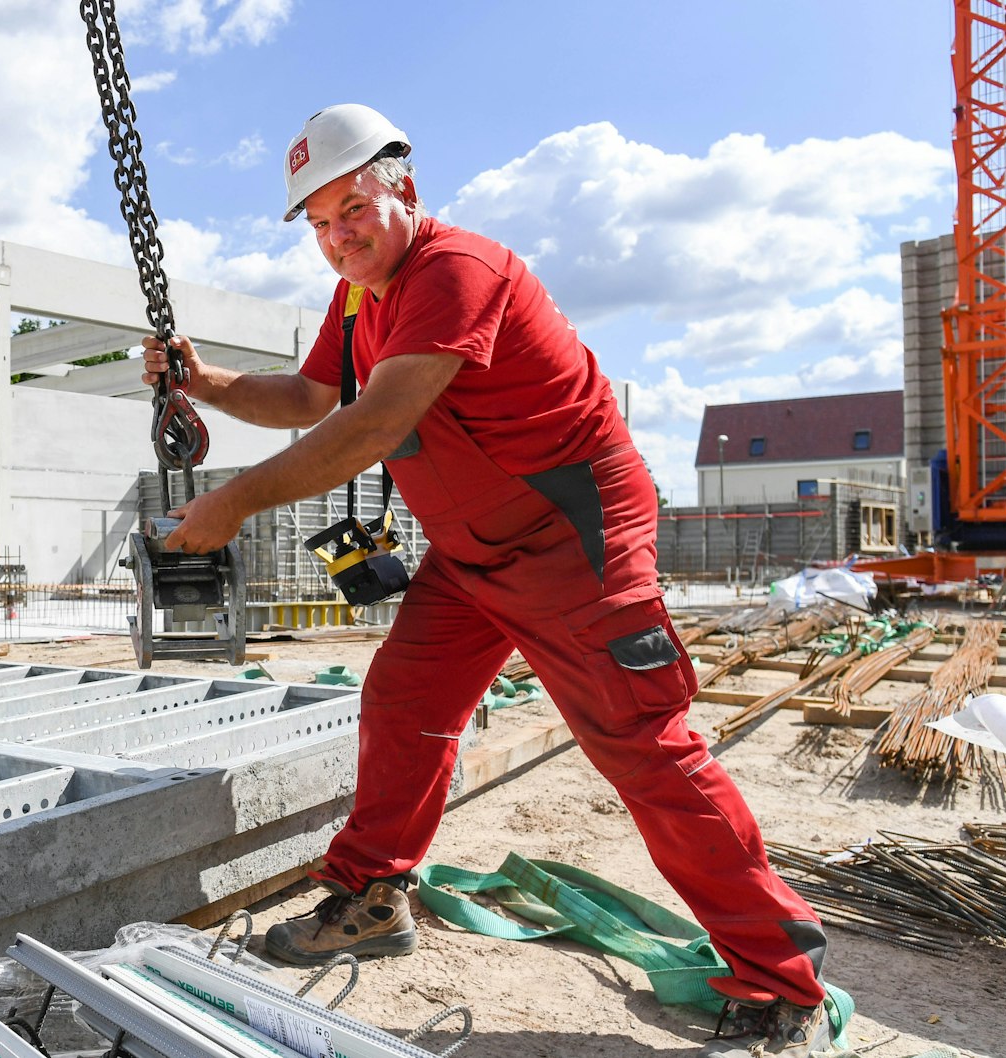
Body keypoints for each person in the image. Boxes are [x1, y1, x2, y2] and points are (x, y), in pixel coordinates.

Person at [140, 104, 843, 1058]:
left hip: (569, 544)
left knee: (643, 744)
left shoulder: (453, 271)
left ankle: (777, 976)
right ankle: (373, 896)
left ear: (405, 188)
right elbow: (311, 398)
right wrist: (209, 383)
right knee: (404, 697)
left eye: (353, 208)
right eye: (319, 223)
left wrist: (233, 505)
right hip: (473, 554)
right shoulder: (359, 301)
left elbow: (373, 425)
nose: (338, 235)